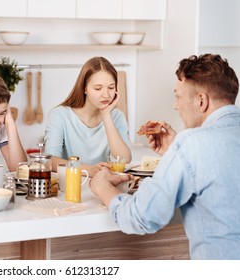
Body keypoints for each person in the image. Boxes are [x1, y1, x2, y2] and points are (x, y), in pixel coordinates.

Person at [89, 53, 240, 259]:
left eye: (178, 96)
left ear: (201, 101)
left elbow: (142, 217)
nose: (175, 105)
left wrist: (103, 188)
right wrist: (174, 153)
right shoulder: (192, 145)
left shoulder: (191, 143)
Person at [44, 56, 131, 177]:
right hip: (70, 187)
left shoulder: (117, 116)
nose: (106, 94)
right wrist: (87, 170)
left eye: (111, 87)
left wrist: (106, 115)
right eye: (98, 88)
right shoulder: (59, 115)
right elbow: (50, 160)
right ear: (85, 88)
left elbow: (124, 159)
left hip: (104, 187)